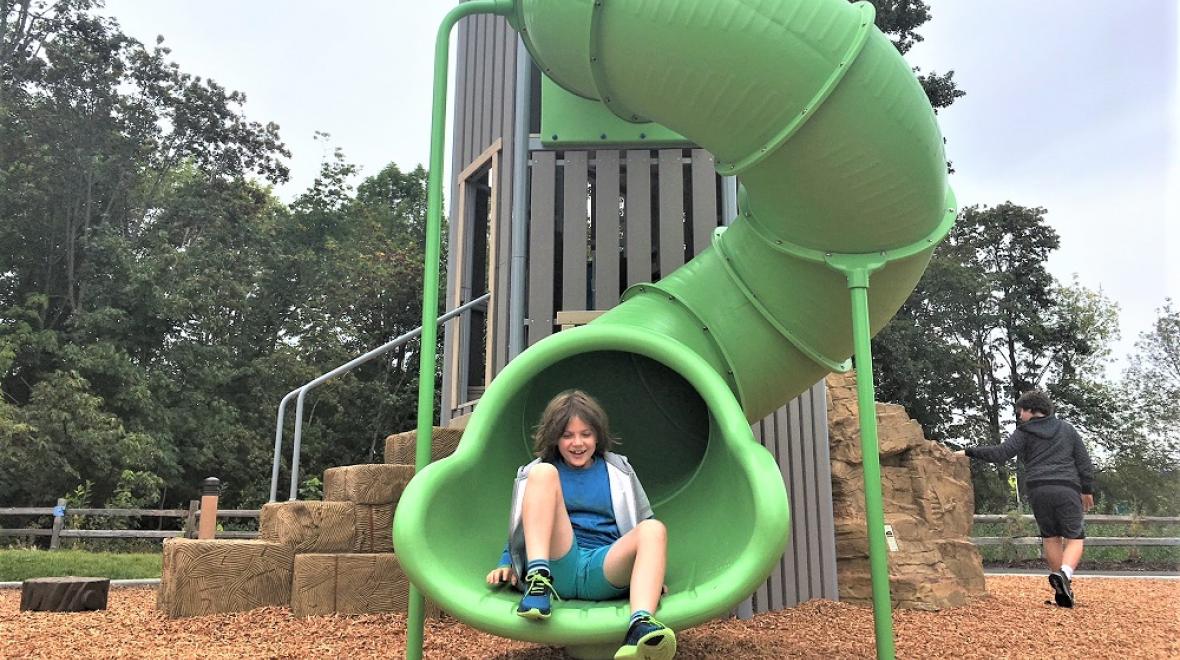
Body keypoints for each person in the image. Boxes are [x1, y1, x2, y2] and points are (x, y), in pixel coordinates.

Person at [486, 389, 676, 659]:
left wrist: (652, 577)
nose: (577, 443)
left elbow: (644, 523)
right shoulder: (540, 471)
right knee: (543, 473)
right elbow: (526, 524)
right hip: (559, 563)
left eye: (585, 434)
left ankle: (640, 625)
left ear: (597, 436)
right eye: (567, 435)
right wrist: (508, 562)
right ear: (555, 438)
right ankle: (538, 582)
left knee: (654, 529)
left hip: (604, 567)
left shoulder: (619, 470)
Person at [956, 390, 1095, 608]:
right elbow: (1084, 463)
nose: (1019, 416)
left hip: (1038, 489)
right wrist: (1086, 489)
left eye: (1021, 411)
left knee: (1051, 538)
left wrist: (968, 452)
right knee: (1075, 537)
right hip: (1066, 487)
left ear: (1031, 410)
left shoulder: (1024, 432)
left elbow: (1001, 453)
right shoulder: (1067, 429)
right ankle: (1065, 575)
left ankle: (1063, 591)